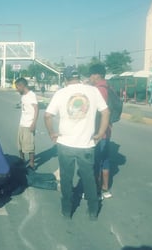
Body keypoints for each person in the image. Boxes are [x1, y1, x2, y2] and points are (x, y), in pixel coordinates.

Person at [44, 66, 109, 220]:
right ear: (78, 77)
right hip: (86, 145)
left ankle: (67, 210)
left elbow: (47, 116)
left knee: (66, 178)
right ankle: (93, 211)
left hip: (65, 144)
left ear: (65, 79)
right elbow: (106, 112)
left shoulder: (61, 93)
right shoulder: (93, 91)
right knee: (89, 179)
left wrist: (52, 133)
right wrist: (100, 133)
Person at [88, 64, 113, 199]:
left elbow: (101, 113)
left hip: (99, 133)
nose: (90, 78)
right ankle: (105, 188)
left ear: (97, 75)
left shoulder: (99, 90)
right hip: (106, 132)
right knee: (105, 161)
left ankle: (97, 191)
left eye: (91, 75)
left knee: (96, 162)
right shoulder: (107, 86)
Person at [15, 77, 38, 170]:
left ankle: (32, 164)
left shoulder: (31, 95)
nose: (17, 89)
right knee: (20, 144)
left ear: (22, 86)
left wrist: (34, 123)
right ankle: (22, 160)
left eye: (17, 87)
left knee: (29, 146)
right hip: (22, 124)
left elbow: (36, 109)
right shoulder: (23, 96)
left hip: (29, 124)